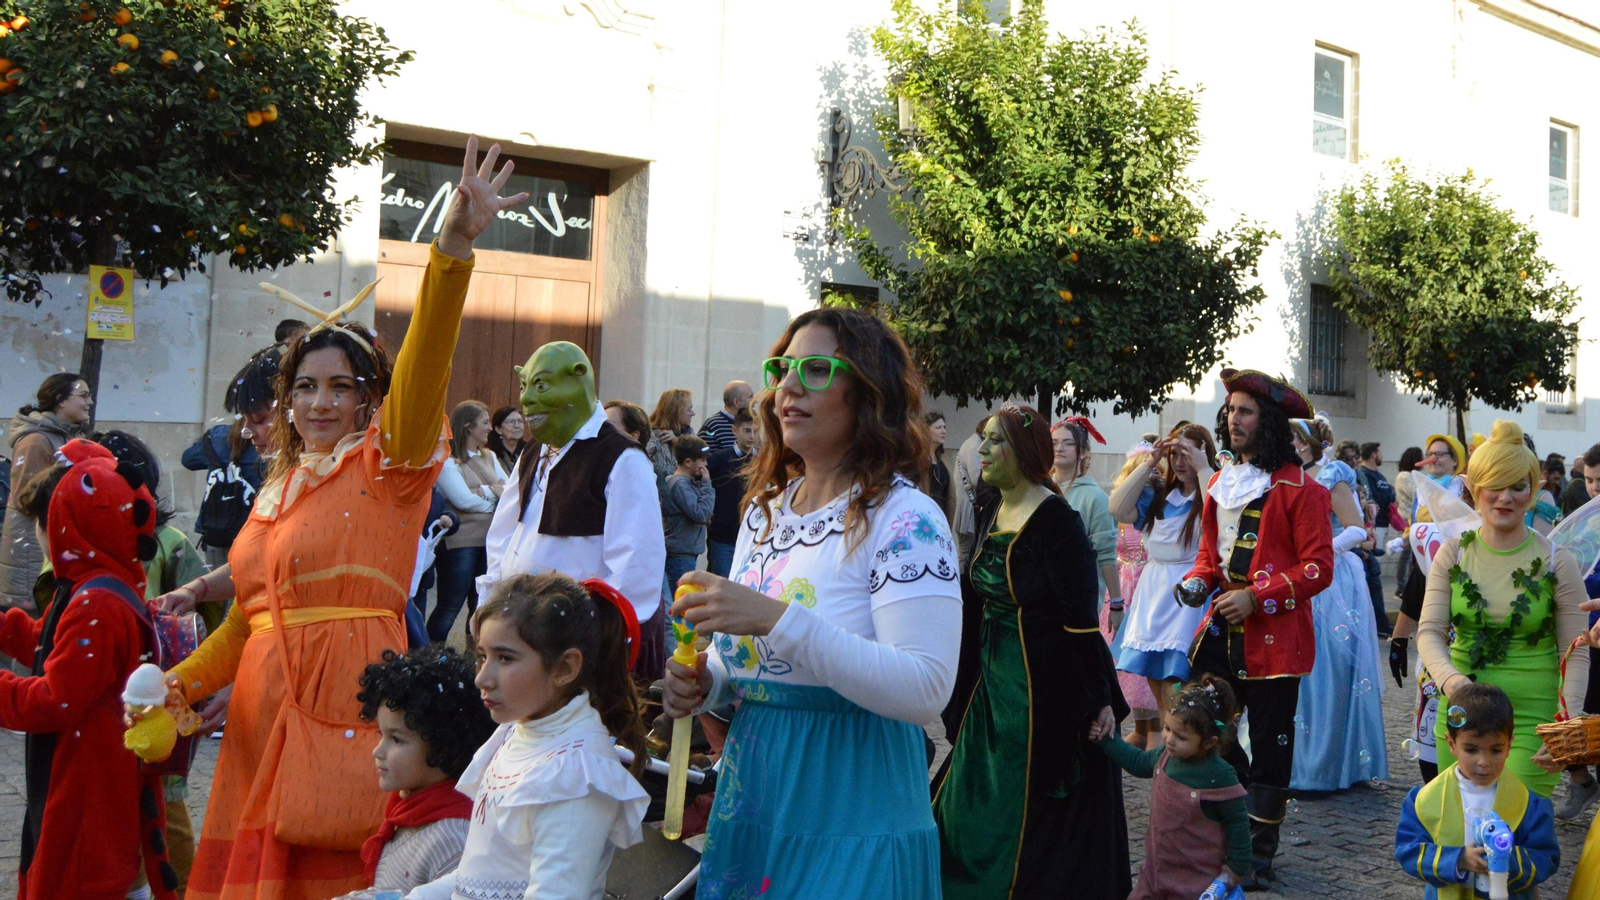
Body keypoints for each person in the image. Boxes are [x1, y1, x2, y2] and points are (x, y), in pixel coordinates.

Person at [145, 137, 528, 900]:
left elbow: (424, 367)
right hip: (260, 726)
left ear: (367, 397)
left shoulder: (390, 465)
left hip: (345, 712)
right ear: (286, 401)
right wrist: (179, 682)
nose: (321, 402)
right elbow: (252, 621)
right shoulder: (277, 488)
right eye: (306, 388)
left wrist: (451, 250)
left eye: (340, 386)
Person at [661, 306, 961, 899]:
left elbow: (926, 686)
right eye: (783, 368)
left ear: (868, 393)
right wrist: (706, 682)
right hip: (754, 805)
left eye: (817, 369)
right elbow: (751, 665)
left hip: (853, 806)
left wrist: (775, 619)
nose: (787, 387)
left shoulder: (906, 519)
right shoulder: (764, 511)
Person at [933, 404, 1131, 899]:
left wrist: (1101, 695)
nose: (982, 450)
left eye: (995, 441)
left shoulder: (1057, 523)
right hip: (988, 683)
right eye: (984, 439)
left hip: (1042, 691)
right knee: (968, 795)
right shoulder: (991, 506)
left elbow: (1082, 624)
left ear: (1024, 453)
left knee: (1025, 806)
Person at [1177, 368, 1332, 889]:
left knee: (1271, 750)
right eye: (1230, 409)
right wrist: (1200, 581)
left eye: (1244, 410)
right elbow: (1208, 553)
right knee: (1204, 725)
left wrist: (1256, 596)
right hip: (1220, 631)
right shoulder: (1221, 480)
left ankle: (1258, 856)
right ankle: (1228, 827)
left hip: (1276, 644)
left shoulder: (1302, 490)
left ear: (1267, 421)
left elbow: (1318, 568)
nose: (1232, 418)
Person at [3, 441, 177, 900]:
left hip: (84, 789)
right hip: (101, 777)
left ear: (63, 524)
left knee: (77, 881)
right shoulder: (107, 584)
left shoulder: (95, 601)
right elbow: (55, 646)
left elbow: (55, 700)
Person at [408, 573, 649, 899]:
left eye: (505, 658)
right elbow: (480, 875)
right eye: (482, 656)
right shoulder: (515, 731)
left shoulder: (577, 776)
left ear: (565, 668)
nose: (482, 678)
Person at [1416, 420, 1590, 800]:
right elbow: (1429, 631)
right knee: (1463, 826)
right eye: (1494, 485)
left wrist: (1566, 725)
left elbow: (1574, 652)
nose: (1505, 498)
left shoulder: (1557, 562)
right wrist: (1452, 682)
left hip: (1532, 718)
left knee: (1512, 822)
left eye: (1518, 486)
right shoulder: (1453, 553)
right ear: (1473, 488)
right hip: (1464, 714)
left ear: (1534, 489)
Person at [481, 346, 667, 681]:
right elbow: (503, 535)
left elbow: (636, 564)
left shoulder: (622, 457)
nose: (525, 401)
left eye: (539, 386)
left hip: (571, 651)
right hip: (520, 636)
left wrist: (597, 643)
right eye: (524, 387)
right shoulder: (534, 452)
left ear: (579, 379)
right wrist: (492, 605)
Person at [327, 646, 497, 899]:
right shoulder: (410, 809)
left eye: (396, 739)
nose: (378, 751)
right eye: (380, 735)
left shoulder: (453, 839)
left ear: (443, 745)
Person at [1287, 417, 1388, 791]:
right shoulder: (1284, 476)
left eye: (1294, 437)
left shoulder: (1333, 474)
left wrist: (1318, 552)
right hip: (1295, 578)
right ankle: (1296, 763)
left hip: (1330, 582)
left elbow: (1357, 529)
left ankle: (1324, 766)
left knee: (1325, 669)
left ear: (1308, 441)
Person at [1394, 682, 1558, 900]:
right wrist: (1459, 859)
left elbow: (1546, 857)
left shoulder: (1529, 804)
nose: (1484, 762)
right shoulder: (1424, 800)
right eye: (1471, 750)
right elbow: (1410, 850)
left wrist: (1503, 860)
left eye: (1496, 750)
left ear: (1510, 745)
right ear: (1451, 744)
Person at [1099, 676, 1252, 899]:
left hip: (1196, 881)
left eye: (1180, 736)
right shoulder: (1165, 756)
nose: (1169, 739)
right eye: (1166, 728)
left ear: (1208, 742)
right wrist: (1107, 739)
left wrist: (1235, 871)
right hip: (1156, 873)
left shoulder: (1220, 775)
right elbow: (1137, 762)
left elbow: (1238, 824)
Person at [1109, 424, 1217, 719]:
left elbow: (1217, 512)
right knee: (1159, 693)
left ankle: (1184, 755)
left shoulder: (1214, 490)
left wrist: (1205, 467)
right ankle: (1171, 755)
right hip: (1154, 593)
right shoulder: (1158, 496)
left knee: (1180, 688)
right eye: (1174, 455)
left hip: (1190, 595)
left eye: (1187, 454)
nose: (1180, 462)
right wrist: (1150, 461)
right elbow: (1117, 507)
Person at [1, 373, 91, 612]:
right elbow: (26, 498)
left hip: (48, 546)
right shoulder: (36, 441)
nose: (89, 402)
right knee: (31, 629)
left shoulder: (64, 435)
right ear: (61, 400)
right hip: (31, 550)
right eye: (83, 395)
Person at [183, 348, 279, 569]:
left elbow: (188, 459)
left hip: (221, 533)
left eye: (258, 419)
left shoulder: (218, 437)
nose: (248, 431)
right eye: (246, 419)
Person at [429, 401, 508, 642]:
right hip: (460, 544)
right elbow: (462, 500)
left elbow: (510, 490)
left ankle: (474, 660)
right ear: (468, 426)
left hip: (488, 541)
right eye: (484, 423)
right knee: (450, 605)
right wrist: (494, 500)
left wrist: (485, 492)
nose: (489, 429)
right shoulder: (447, 460)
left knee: (481, 607)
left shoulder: (491, 456)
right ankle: (433, 656)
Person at [1052, 416, 1123, 623]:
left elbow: (1106, 554)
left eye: (1068, 443)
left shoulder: (1096, 497)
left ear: (1083, 452)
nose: (1059, 448)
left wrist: (1116, 603)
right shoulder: (1041, 491)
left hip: (1079, 596)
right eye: (1054, 442)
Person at [705, 409, 758, 578]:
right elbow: (701, 483)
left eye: (756, 431)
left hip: (751, 535)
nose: (752, 436)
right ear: (735, 431)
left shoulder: (762, 460)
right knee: (721, 583)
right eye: (747, 431)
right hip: (723, 535)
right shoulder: (719, 459)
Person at [662, 435, 714, 599]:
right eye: (702, 460)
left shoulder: (683, 483)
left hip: (683, 554)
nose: (705, 465)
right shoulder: (680, 484)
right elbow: (700, 514)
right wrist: (706, 484)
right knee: (682, 600)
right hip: (680, 555)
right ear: (688, 462)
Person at [951, 417, 989, 566]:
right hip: (968, 507)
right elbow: (976, 479)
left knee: (966, 553)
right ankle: (961, 586)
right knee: (966, 554)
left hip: (968, 505)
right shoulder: (974, 446)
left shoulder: (972, 443)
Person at [647, 388, 695, 482]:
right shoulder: (651, 436)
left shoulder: (690, 435)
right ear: (676, 412)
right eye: (689, 410)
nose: (693, 414)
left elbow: (702, 455)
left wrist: (678, 442)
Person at [697, 380, 753, 451]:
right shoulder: (712, 426)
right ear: (736, 402)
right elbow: (705, 459)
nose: (755, 401)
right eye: (750, 397)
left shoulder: (753, 423)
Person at [925, 410, 952, 520]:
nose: (943, 431)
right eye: (938, 428)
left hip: (941, 516)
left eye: (944, 427)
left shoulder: (942, 458)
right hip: (925, 516)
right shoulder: (918, 459)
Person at [486, 405, 527, 474]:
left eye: (520, 421)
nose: (517, 426)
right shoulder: (489, 454)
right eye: (511, 422)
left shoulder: (528, 451)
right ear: (498, 429)